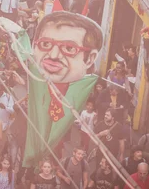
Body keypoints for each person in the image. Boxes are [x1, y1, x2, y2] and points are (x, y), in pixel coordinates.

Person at [21, 11, 102, 167]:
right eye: (45, 44)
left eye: (69, 48)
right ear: (34, 46)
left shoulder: (77, 93)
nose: (53, 54)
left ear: (90, 58)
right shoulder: (37, 83)